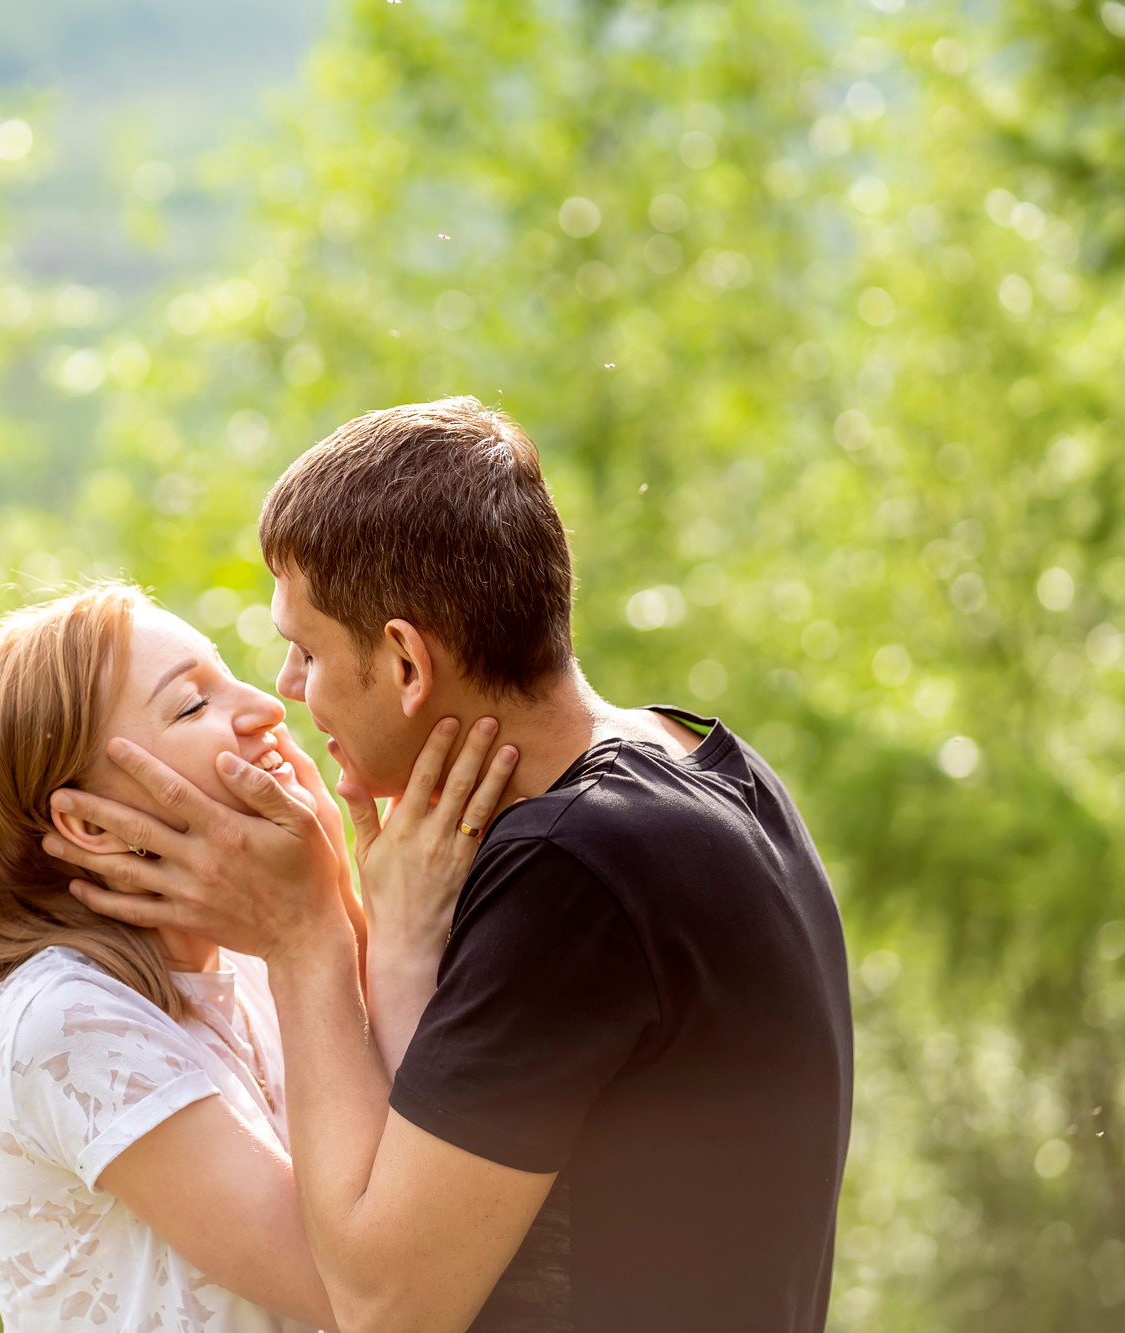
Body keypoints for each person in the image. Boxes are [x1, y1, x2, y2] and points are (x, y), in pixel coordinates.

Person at [48, 398, 856, 1332]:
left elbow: (384, 1304)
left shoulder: (574, 874)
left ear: (405, 662)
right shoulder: (708, 764)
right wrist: (394, 941)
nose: (287, 690)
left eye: (304, 649)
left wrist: (305, 939)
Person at [0, 581, 516, 1332]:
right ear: (91, 825)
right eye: (193, 705)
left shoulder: (255, 962)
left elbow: (403, 1167)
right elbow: (369, 1297)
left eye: (228, 671)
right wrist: (346, 933)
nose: (264, 705)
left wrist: (358, 910)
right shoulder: (62, 1022)